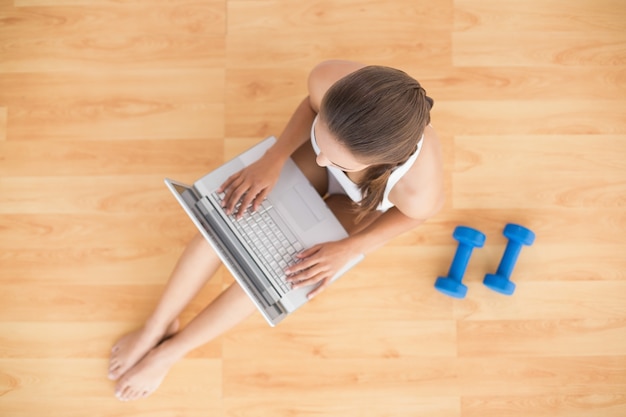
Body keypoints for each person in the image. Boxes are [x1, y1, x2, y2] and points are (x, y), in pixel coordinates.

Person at [108, 60, 445, 401]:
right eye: (321, 141)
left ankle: (168, 353)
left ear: (384, 163)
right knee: (228, 219)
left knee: (281, 274)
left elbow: (413, 216)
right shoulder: (328, 78)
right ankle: (156, 327)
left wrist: (352, 248)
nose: (322, 161)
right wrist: (274, 157)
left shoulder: (419, 188)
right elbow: (311, 106)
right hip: (309, 172)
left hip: (361, 204)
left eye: (339, 161)